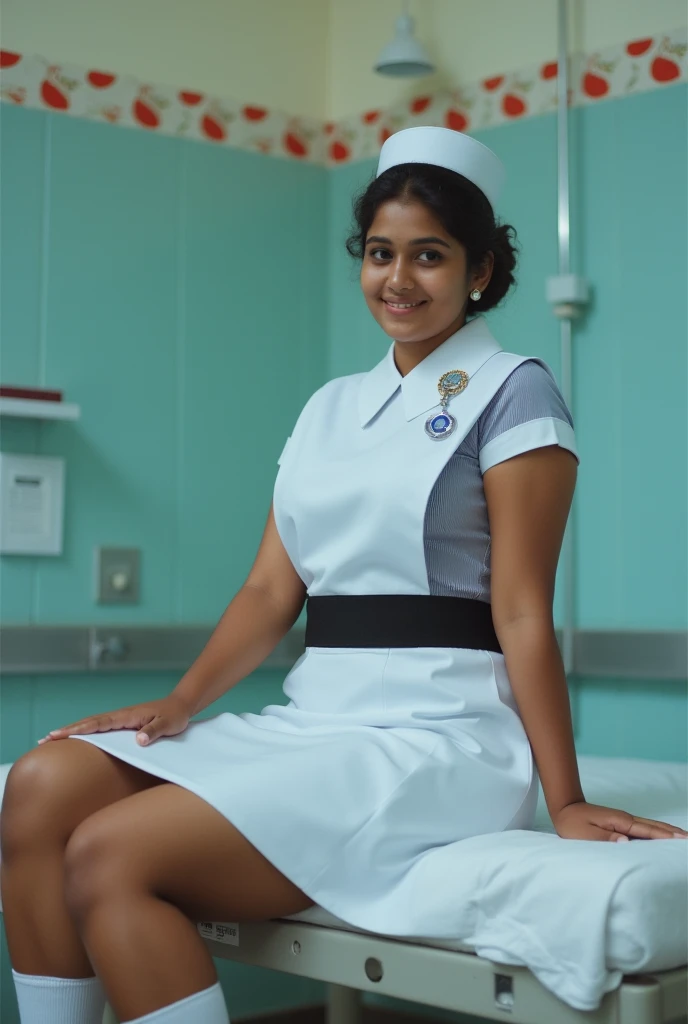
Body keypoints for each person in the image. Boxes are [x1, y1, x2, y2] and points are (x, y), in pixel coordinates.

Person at [1, 126, 685, 1024]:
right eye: (380, 253)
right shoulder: (331, 407)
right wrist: (181, 702)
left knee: (110, 857)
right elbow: (268, 592)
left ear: (480, 269)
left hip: (439, 736)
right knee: (38, 789)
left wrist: (563, 799)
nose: (398, 279)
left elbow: (521, 609)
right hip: (320, 720)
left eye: (429, 256)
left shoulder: (515, 390)